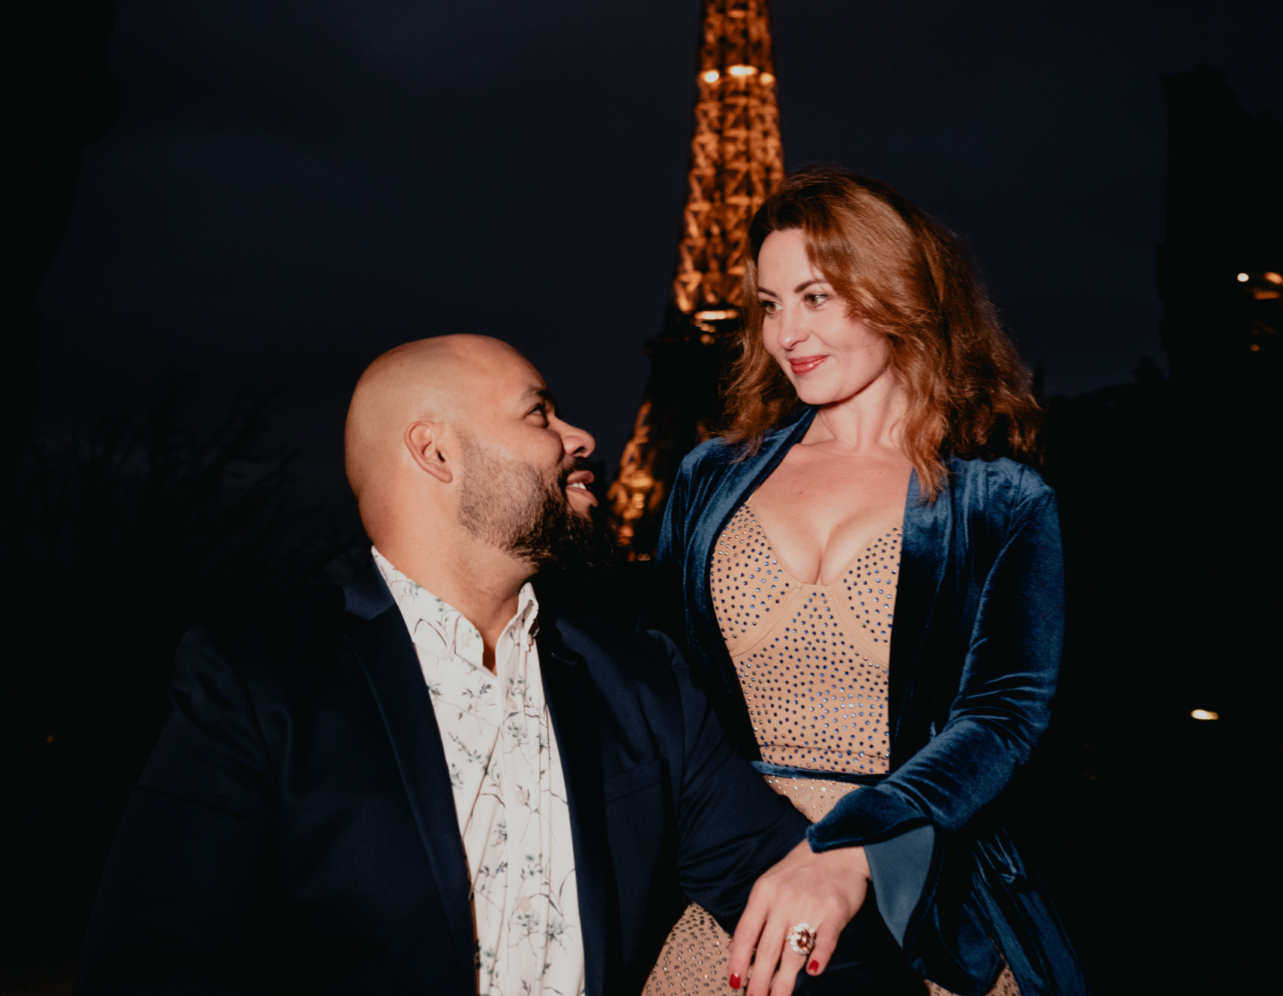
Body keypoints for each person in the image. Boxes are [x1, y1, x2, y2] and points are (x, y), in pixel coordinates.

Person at [77, 334, 892, 996]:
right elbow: (148, 964)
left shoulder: (643, 682)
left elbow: (795, 898)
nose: (582, 438)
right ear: (435, 453)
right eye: (540, 413)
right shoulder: (258, 684)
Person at [646, 168, 1087, 996]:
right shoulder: (710, 477)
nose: (786, 333)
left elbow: (1002, 716)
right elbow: (668, 682)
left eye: (814, 297)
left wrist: (853, 852)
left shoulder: (1000, 501)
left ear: (897, 292)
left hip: (921, 872)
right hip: (736, 868)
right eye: (769, 304)